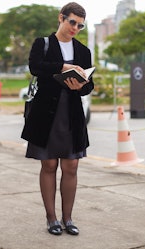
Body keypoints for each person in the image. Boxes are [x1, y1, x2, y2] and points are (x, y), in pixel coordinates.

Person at [21, 2, 94, 236]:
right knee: (49, 164)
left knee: (71, 165)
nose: (75, 28)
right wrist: (63, 66)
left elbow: (89, 86)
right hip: (46, 113)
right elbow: (35, 67)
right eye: (72, 22)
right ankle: (51, 219)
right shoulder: (42, 44)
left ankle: (68, 218)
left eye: (80, 25)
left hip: (71, 113)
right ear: (61, 18)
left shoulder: (83, 51)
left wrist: (80, 84)